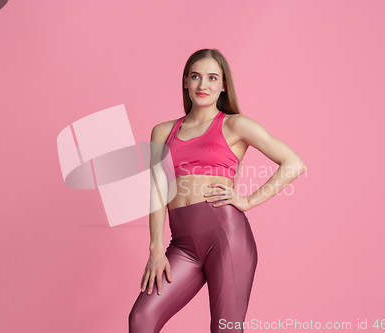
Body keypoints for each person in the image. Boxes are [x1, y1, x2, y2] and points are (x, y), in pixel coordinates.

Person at [129, 48, 307, 333]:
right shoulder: (163, 132)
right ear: (185, 81)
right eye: (196, 76)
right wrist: (155, 248)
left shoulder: (235, 124)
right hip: (182, 245)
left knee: (225, 329)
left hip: (227, 238)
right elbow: (157, 192)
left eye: (212, 78)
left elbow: (294, 163)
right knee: (141, 319)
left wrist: (248, 201)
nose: (203, 85)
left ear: (224, 85)